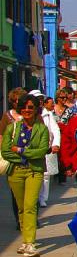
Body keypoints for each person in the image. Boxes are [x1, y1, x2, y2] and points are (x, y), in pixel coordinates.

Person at [3, 94, 50, 257]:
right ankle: (25, 240)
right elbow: (6, 151)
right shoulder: (12, 128)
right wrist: (24, 156)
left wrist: (22, 151)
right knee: (21, 206)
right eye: (24, 107)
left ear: (36, 108)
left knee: (30, 206)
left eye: (31, 107)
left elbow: (43, 150)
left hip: (34, 171)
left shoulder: (42, 128)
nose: (27, 110)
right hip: (15, 172)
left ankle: (30, 243)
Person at [0, 87, 27, 228]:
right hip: (13, 158)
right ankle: (19, 218)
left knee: (31, 190)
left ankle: (29, 216)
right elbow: (1, 135)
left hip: (30, 157)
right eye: (16, 101)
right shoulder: (7, 116)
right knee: (15, 191)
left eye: (20, 100)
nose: (18, 103)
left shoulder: (32, 114)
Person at [33, 92, 60, 208]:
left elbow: (55, 130)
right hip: (32, 149)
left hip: (46, 148)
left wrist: (56, 144)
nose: (39, 101)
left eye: (41, 99)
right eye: (37, 99)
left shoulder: (48, 114)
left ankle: (42, 198)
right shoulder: (28, 114)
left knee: (46, 175)